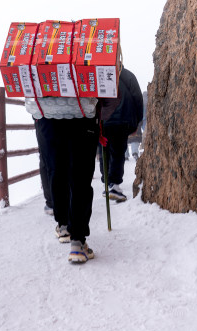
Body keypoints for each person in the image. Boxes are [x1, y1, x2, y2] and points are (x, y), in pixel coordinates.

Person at [29, 97, 100, 263]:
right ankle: (78, 243)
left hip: (47, 117)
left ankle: (63, 226)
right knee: (81, 178)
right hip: (83, 116)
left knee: (56, 172)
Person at [98, 67, 143, 202]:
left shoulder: (97, 72)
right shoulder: (127, 74)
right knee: (118, 152)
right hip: (122, 120)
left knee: (104, 151)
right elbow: (137, 97)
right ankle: (114, 185)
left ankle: (108, 182)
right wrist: (137, 121)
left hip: (103, 120)